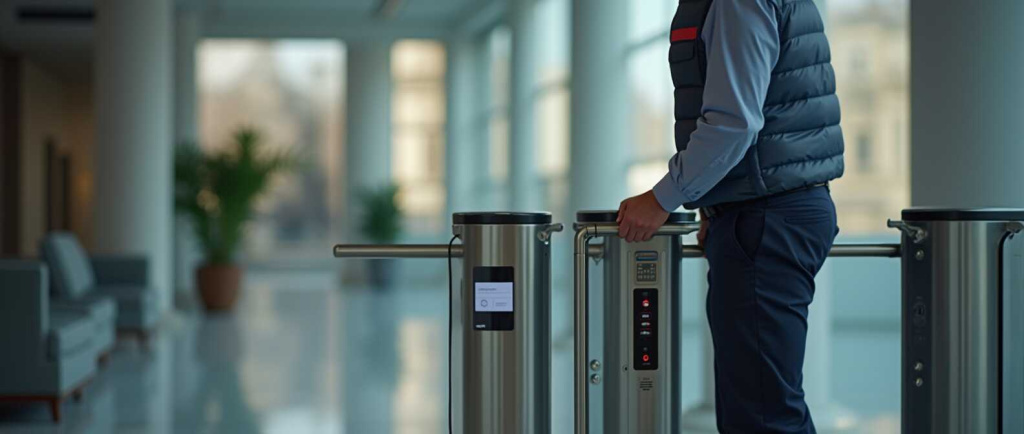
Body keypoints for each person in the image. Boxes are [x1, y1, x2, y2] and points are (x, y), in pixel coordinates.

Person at [616, 0, 843, 432]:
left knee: (763, 415)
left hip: (766, 217)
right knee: (761, 404)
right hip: (766, 209)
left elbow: (735, 121)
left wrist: (663, 198)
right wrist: (714, 202)